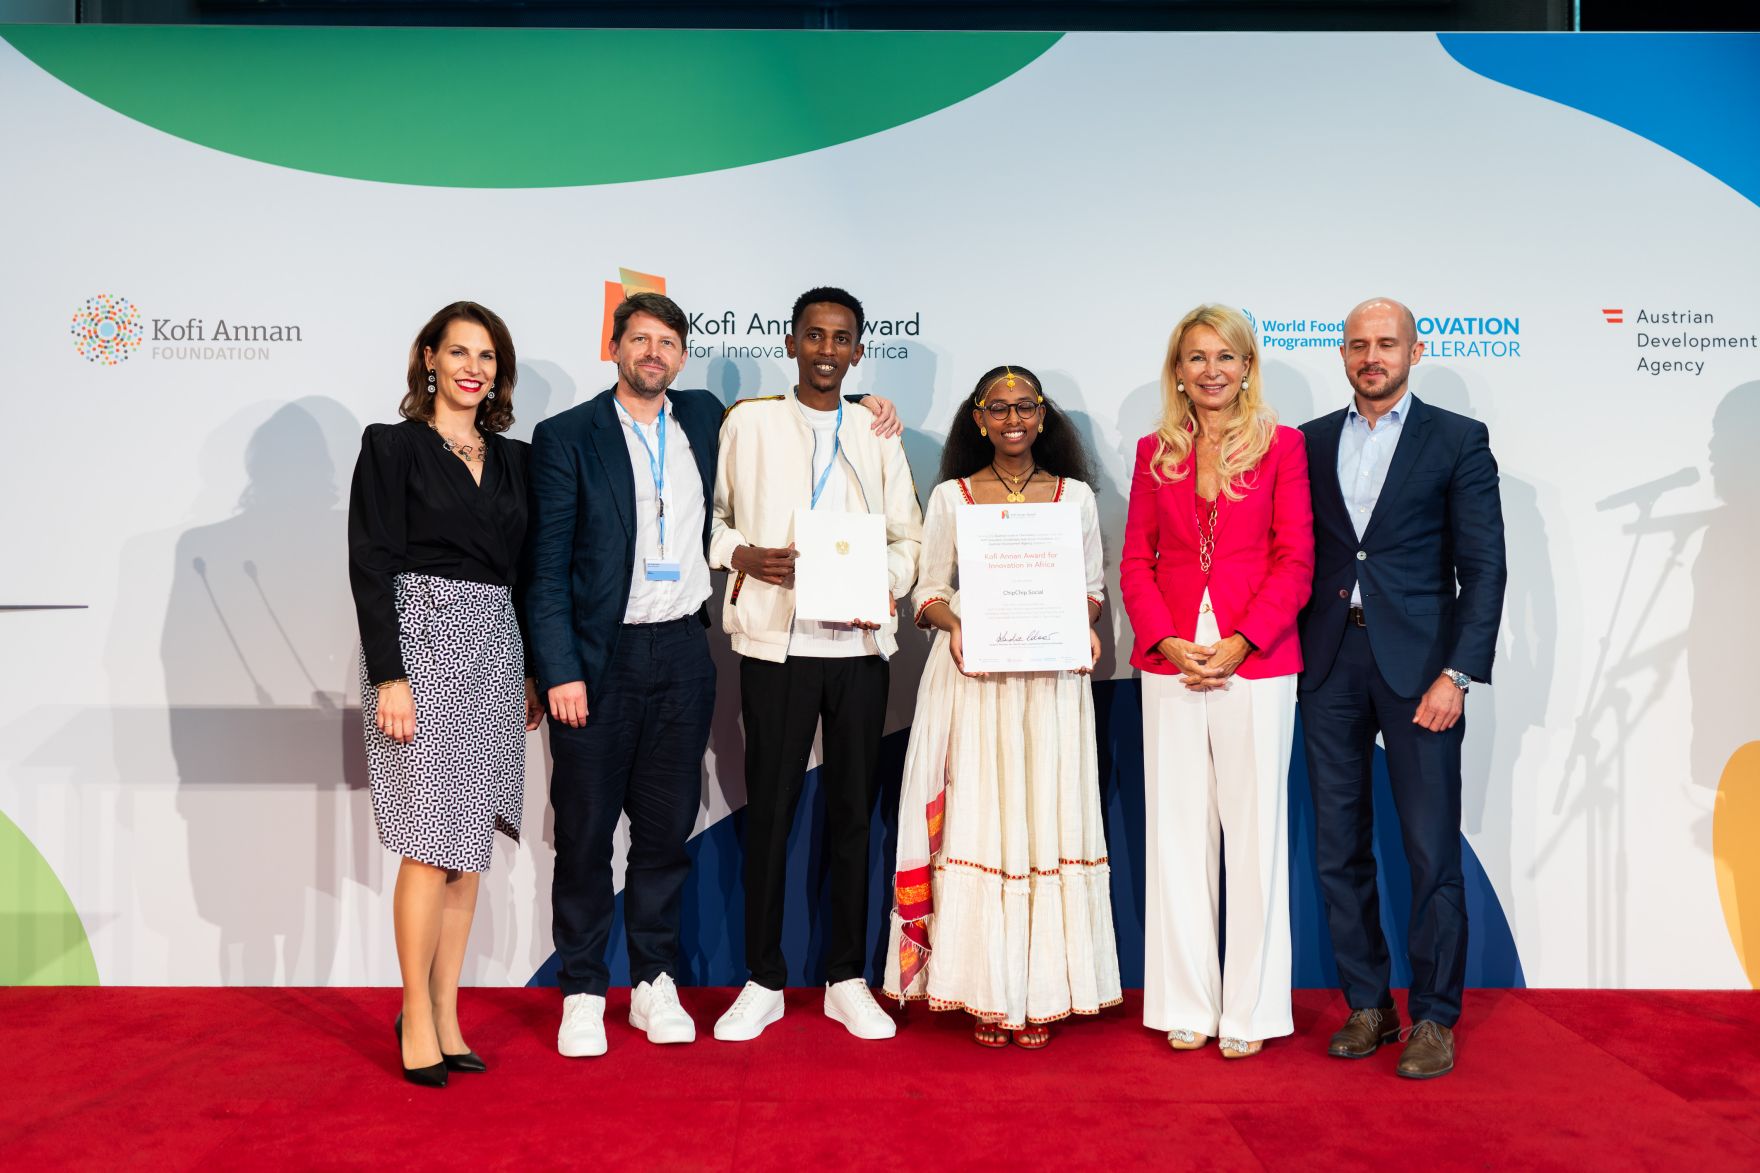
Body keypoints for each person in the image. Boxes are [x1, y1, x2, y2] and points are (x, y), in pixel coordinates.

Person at [527, 292, 902, 1059]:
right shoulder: (617, 431)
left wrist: (868, 407)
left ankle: (688, 981)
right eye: (641, 340)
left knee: (673, 833)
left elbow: (893, 516)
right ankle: (594, 988)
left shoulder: (728, 419)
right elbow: (552, 567)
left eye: (668, 341)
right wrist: (557, 667)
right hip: (652, 655)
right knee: (596, 829)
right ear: (616, 346)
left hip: (724, 655)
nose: (653, 353)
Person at [881, 365, 1121, 1049]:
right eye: (998, 407)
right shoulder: (954, 497)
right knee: (982, 823)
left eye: (1025, 406)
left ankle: (1043, 989)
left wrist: (1077, 621)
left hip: (1048, 683)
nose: (1013, 417)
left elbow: (1092, 590)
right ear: (978, 418)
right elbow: (926, 591)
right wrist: (957, 626)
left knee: (1045, 820)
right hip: (975, 681)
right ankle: (985, 987)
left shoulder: (1072, 497)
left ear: (1043, 417)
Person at [708, 286, 923, 1043]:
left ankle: (845, 977)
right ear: (791, 341)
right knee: (769, 813)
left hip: (861, 650)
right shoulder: (750, 423)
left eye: (842, 339)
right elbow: (715, 522)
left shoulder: (877, 430)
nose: (828, 349)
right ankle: (763, 977)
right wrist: (742, 555)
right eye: (814, 335)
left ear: (859, 350)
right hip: (777, 647)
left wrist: (882, 582)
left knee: (852, 816)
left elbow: (910, 540)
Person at [1299, 297, 1506, 1080]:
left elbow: (1484, 568)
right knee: (1337, 844)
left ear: (1414, 351)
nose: (1371, 356)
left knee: (1428, 848)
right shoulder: (1310, 441)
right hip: (1327, 665)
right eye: (1358, 344)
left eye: (1386, 343)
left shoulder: (1456, 439)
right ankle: (1367, 1002)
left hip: (1423, 671)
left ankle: (1434, 1016)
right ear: (1343, 354)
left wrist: (1458, 672)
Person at [348, 301, 544, 1087]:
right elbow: (369, 562)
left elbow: (525, 573)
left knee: (468, 853)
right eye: (459, 351)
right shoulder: (391, 446)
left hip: (496, 649)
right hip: (419, 647)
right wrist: (388, 674)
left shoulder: (517, 459)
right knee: (430, 846)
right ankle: (415, 1014)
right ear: (429, 358)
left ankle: (448, 1007)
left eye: (488, 356)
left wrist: (529, 668)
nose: (474, 367)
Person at [1120, 303, 1313, 1059]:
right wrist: (1166, 636)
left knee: (1254, 835)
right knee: (1176, 834)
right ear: (1178, 370)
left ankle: (1253, 1011)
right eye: (1196, 357)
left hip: (1256, 661)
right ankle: (1186, 1003)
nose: (1211, 371)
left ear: (1247, 367)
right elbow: (1135, 558)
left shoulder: (1283, 446)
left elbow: (1296, 557)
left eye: (1225, 357)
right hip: (1170, 661)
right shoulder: (1153, 452)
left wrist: (1239, 640)